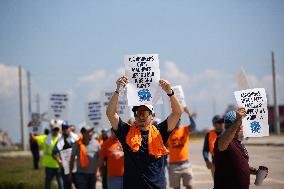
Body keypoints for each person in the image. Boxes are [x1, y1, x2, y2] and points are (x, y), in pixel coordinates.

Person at [106, 76, 183, 189]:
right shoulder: (126, 132)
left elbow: (177, 113)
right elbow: (110, 114)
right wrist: (118, 89)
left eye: (145, 113)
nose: (141, 116)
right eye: (137, 112)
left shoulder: (160, 132)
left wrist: (170, 92)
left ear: (153, 116)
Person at [213, 108, 267, 189]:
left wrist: (253, 171)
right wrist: (238, 121)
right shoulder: (223, 140)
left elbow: (233, 164)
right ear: (240, 126)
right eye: (243, 123)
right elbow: (221, 145)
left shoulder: (238, 143)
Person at [167, 106, 196, 189]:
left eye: (178, 119)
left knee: (189, 185)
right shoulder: (168, 132)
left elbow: (193, 126)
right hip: (173, 165)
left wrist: (189, 114)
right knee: (176, 187)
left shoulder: (185, 129)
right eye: (175, 120)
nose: (177, 121)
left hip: (185, 163)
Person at [30, 119, 63, 189]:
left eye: (57, 129)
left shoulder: (61, 138)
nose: (56, 131)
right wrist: (32, 129)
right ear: (51, 129)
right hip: (49, 166)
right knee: (47, 184)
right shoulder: (45, 138)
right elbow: (33, 138)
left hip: (59, 165)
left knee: (61, 184)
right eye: (54, 129)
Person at [52, 121, 78, 189]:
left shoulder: (76, 138)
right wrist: (59, 160)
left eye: (66, 128)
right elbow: (53, 153)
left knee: (79, 186)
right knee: (66, 187)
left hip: (76, 167)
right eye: (63, 128)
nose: (65, 130)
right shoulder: (59, 141)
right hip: (65, 168)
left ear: (70, 128)